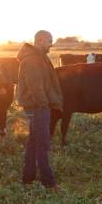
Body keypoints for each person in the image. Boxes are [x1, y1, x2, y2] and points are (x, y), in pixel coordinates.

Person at [16, 30, 63, 190]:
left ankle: (27, 178)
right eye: (50, 41)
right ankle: (48, 183)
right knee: (42, 143)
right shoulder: (32, 60)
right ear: (41, 40)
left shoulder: (38, 58)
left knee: (34, 142)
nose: (52, 44)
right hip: (37, 107)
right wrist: (44, 105)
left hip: (37, 106)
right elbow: (35, 87)